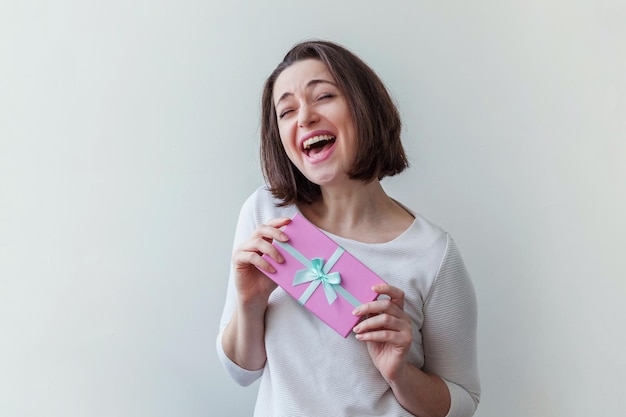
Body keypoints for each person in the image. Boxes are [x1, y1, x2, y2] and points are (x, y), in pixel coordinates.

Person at [217, 40, 480, 417]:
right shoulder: (268, 214)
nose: (304, 117)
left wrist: (399, 373)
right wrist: (250, 301)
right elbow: (240, 372)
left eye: (323, 96)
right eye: (286, 110)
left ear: (364, 107)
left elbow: (464, 401)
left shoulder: (431, 253)